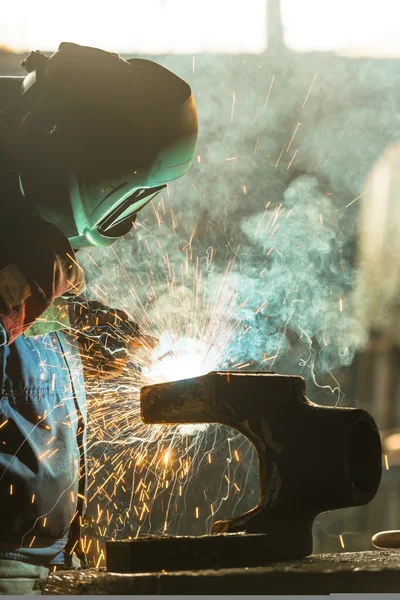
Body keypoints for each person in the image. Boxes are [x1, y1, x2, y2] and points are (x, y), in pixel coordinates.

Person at [0, 42, 198, 594]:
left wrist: (86, 330)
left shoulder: (24, 222)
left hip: (41, 561)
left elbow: (20, 344)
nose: (129, 220)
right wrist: (17, 295)